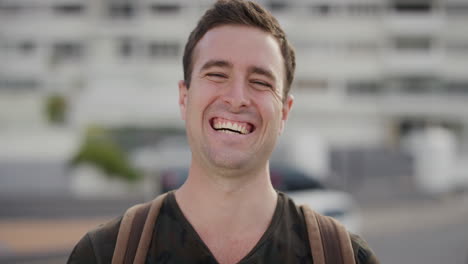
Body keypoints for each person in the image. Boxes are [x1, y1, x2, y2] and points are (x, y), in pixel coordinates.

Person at [68, 0, 379, 263]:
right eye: (217, 74)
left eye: (260, 82)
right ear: (184, 97)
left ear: (284, 112)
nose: (237, 98)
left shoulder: (344, 256)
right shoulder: (104, 254)